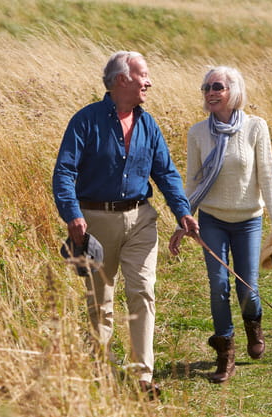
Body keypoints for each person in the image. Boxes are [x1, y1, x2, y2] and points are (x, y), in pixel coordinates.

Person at [52, 51, 199, 398]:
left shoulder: (148, 124)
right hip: (93, 223)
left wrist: (183, 211)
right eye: (143, 75)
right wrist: (72, 213)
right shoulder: (85, 121)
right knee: (100, 301)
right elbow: (64, 172)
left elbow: (165, 173)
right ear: (122, 80)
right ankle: (98, 374)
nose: (149, 81)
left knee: (143, 293)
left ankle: (142, 378)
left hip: (141, 219)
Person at [168, 66, 272, 384]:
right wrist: (184, 218)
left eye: (216, 86)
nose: (209, 92)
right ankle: (226, 353)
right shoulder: (197, 133)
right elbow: (193, 181)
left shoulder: (255, 127)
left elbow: (267, 177)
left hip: (248, 220)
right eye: (205, 87)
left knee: (247, 287)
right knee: (218, 286)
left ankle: (254, 325)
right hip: (212, 219)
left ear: (233, 90)